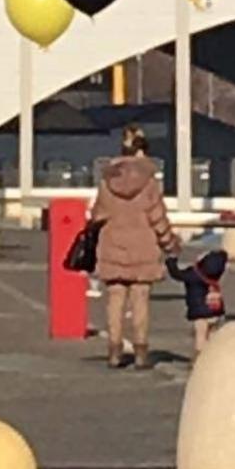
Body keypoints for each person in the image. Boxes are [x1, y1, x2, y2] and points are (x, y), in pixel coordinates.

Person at [91, 130, 179, 371]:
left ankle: (114, 350)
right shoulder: (149, 182)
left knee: (115, 299)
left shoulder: (107, 181)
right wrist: (169, 243)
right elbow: (157, 218)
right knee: (140, 300)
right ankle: (140, 352)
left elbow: (97, 215)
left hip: (113, 246)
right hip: (143, 248)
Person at [166, 247, 228, 355]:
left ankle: (200, 357)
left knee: (201, 336)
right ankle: (214, 355)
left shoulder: (193, 274)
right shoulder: (216, 274)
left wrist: (171, 260)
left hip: (200, 312)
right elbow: (219, 261)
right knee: (213, 336)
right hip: (216, 310)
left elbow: (176, 274)